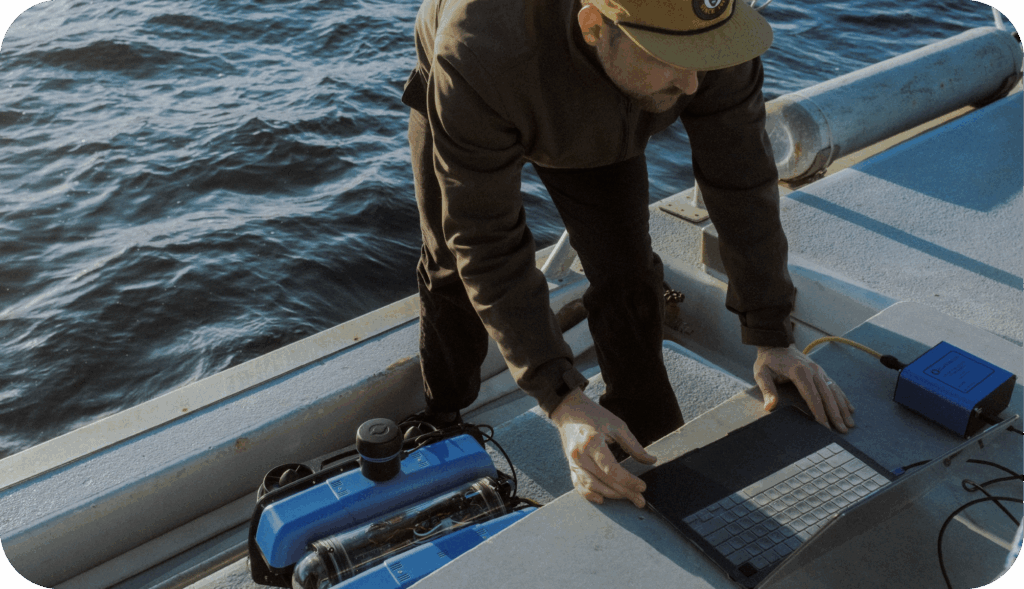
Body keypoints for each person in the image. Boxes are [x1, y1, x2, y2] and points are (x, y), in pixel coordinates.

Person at [401, 0, 856, 510]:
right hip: (488, 81)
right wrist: (562, 399)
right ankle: (443, 414)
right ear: (595, 25)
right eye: (670, 56)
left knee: (628, 271)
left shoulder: (712, 37)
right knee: (451, 267)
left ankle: (648, 435)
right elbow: (484, 237)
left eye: (702, 57)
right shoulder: (478, 49)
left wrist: (772, 333)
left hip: (609, 95)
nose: (691, 85)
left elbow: (741, 178)